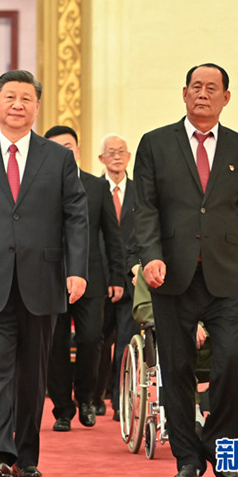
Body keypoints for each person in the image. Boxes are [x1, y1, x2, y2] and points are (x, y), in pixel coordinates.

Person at [0, 70, 88, 477]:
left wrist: (77, 270)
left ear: (37, 106)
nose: (17, 104)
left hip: (42, 279)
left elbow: (75, 217)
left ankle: (26, 457)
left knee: (32, 374)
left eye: (26, 98)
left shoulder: (58, 157)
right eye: (9, 96)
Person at [134, 63, 238, 477]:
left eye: (212, 88)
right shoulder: (155, 143)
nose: (203, 94)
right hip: (172, 278)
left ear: (226, 98)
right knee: (177, 369)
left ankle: (220, 446)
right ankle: (187, 458)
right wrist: (150, 256)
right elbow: (145, 208)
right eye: (196, 86)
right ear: (184, 93)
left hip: (226, 277)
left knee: (229, 361)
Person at [43, 126, 125, 433]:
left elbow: (112, 235)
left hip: (91, 277)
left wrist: (117, 275)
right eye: (55, 147)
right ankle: (62, 408)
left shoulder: (96, 186)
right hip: (50, 278)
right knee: (55, 345)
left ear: (77, 150)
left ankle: (87, 398)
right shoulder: (39, 186)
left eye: (68, 146)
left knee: (92, 339)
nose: (63, 152)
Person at [93, 133, 138, 421]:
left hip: (131, 282)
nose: (117, 157)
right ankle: (94, 396)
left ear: (129, 157)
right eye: (111, 152)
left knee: (125, 343)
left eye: (122, 151)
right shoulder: (93, 190)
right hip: (100, 280)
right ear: (101, 158)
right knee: (96, 342)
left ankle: (121, 401)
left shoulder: (140, 192)